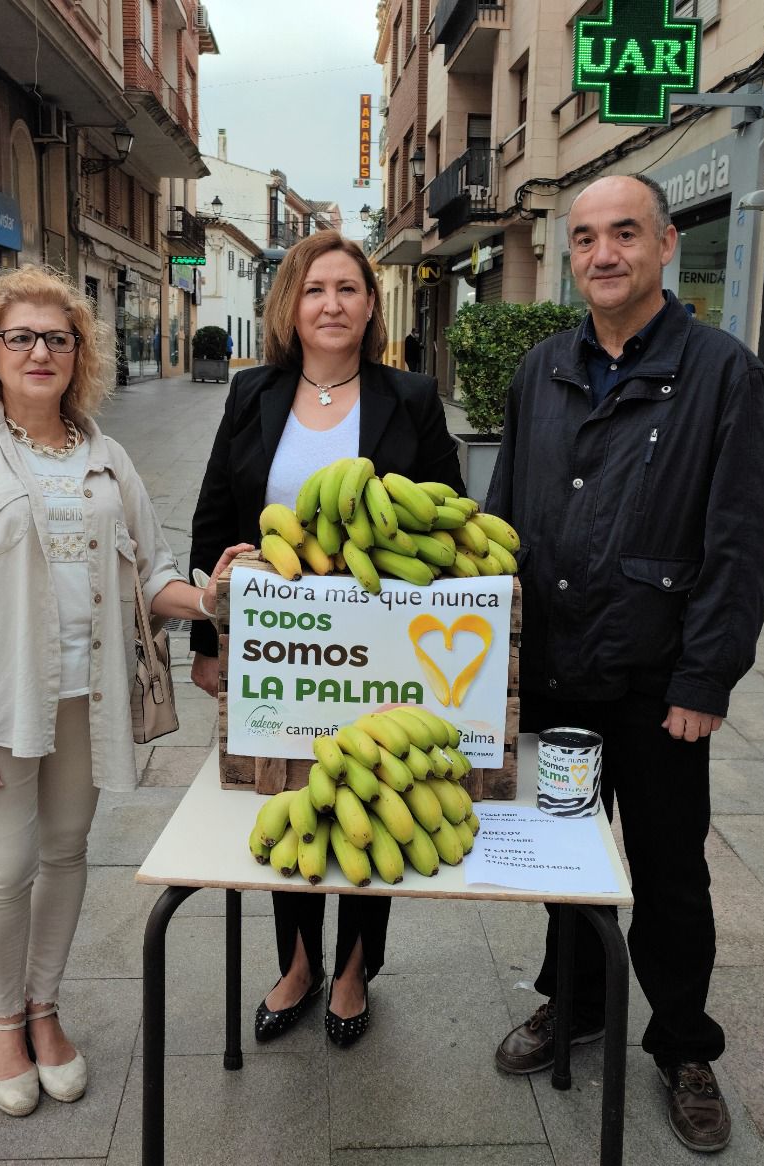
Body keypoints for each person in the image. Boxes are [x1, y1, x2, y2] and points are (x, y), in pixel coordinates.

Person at [0, 266, 248, 1117]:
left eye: (58, 338)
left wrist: (209, 598)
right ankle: (3, 1020)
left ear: (80, 354)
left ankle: (45, 1008)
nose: (39, 352)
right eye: (20, 337)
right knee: (3, 868)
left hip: (90, 699)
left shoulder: (107, 458)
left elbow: (151, 575)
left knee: (66, 852)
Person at [485, 174, 764, 1154]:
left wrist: (706, 677)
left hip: (658, 683)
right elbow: (501, 517)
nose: (602, 253)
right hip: (557, 672)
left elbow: (739, 540)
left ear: (663, 244)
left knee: (669, 869)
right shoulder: (541, 369)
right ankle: (574, 1003)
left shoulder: (723, 372)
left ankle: (684, 1044)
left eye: (623, 233)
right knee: (564, 855)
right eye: (584, 238)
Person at [189, 230, 464, 1048]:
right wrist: (207, 640)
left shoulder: (410, 397)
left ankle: (354, 969)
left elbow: (448, 514)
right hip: (281, 646)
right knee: (289, 791)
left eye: (348, 289)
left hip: (382, 643)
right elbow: (215, 511)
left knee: (374, 796)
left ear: (371, 306)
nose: (332, 304)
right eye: (315, 290)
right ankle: (299, 962)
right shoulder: (253, 393)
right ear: (291, 306)